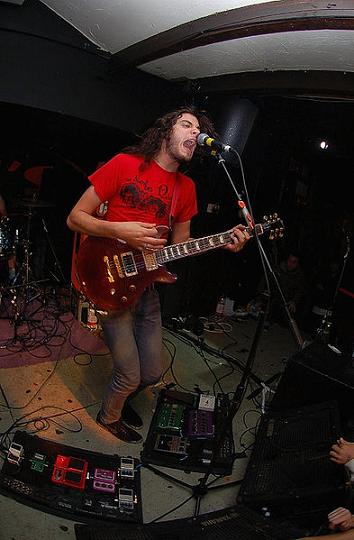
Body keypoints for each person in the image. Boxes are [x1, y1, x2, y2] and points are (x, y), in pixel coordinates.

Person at [67, 106, 250, 443]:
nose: (195, 133)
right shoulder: (125, 164)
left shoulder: (187, 188)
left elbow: (181, 245)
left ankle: (123, 401)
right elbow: (75, 217)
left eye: (198, 130)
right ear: (166, 131)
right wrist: (121, 229)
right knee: (129, 374)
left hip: (146, 286)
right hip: (110, 279)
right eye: (186, 125)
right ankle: (109, 416)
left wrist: (223, 242)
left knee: (150, 373)